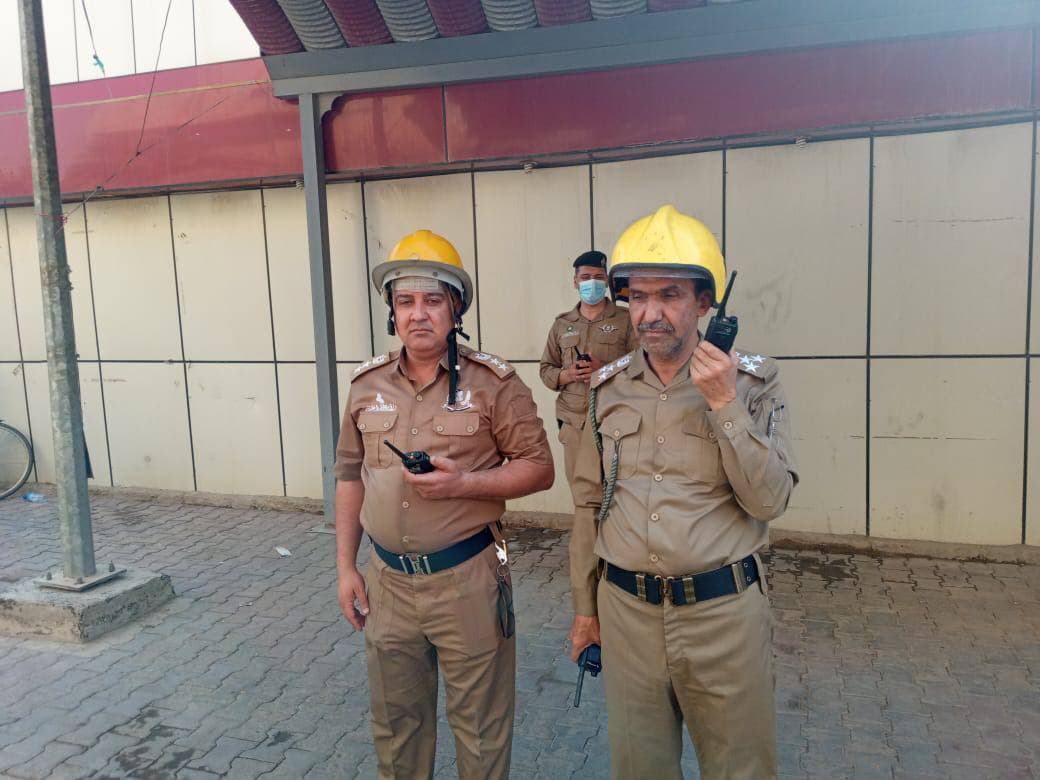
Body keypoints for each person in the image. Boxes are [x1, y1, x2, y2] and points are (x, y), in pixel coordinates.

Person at [566, 205, 799, 779]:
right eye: (639, 296)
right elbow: (589, 505)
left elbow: (769, 501)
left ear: (705, 303)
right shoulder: (608, 388)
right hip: (627, 615)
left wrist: (723, 402)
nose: (651, 313)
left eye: (669, 295)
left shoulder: (752, 383)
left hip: (722, 618)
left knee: (741, 769)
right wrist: (585, 609)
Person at [334, 229, 555, 779]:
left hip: (468, 580)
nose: (418, 314)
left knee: (480, 731)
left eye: (432, 300)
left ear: (456, 309)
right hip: (387, 582)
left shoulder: (495, 384)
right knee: (397, 729)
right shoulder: (365, 385)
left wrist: (466, 485)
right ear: (391, 312)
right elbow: (349, 476)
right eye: (405, 301)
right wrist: (346, 568)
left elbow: (540, 469)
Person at [539, 250, 638, 483]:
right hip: (575, 421)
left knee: (619, 490)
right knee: (583, 490)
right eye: (585, 277)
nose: (592, 282)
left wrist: (603, 369)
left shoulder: (626, 319)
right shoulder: (562, 324)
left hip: (616, 418)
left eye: (599, 277)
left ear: (606, 282)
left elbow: (642, 365)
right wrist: (568, 374)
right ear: (575, 282)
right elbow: (546, 369)